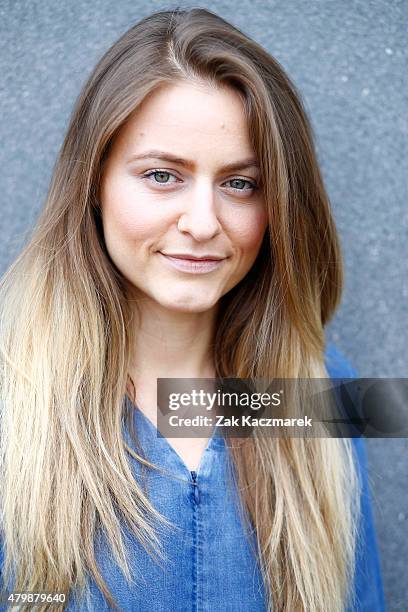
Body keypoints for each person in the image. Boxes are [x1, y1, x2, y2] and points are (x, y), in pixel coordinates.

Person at [0, 8, 385, 612]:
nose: (203, 223)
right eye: (161, 175)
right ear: (93, 183)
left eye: (241, 184)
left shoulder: (317, 391)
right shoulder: (11, 396)